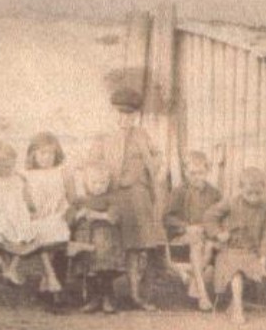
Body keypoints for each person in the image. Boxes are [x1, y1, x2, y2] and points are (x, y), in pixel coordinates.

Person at [90, 87, 165, 311]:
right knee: (107, 242)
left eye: (130, 115)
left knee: (135, 247)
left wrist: (143, 172)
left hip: (137, 197)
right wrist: (99, 178)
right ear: (112, 113)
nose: (125, 119)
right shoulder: (103, 137)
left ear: (136, 116)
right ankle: (105, 295)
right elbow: (91, 164)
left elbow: (158, 156)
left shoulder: (142, 136)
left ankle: (136, 295)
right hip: (112, 196)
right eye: (120, 114)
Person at [204, 167, 266, 324]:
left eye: (258, 193)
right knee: (236, 271)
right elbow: (209, 216)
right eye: (249, 193)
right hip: (229, 249)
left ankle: (234, 304)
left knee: (252, 269)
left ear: (263, 189)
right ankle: (238, 308)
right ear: (241, 189)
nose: (253, 197)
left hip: (251, 251)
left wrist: (264, 256)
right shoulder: (231, 202)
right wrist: (218, 233)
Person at [164, 150, 222, 311]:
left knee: (209, 244)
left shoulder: (214, 194)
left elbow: (221, 218)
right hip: (182, 239)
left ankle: (194, 285)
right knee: (197, 242)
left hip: (207, 238)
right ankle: (203, 295)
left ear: (208, 171)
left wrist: (209, 229)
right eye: (192, 173)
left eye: (200, 173)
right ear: (185, 172)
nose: (196, 177)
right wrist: (187, 227)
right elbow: (167, 218)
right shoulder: (179, 191)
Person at [0, 141, 39, 286]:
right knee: (1, 238)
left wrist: (32, 210)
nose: (9, 169)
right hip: (0, 218)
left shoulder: (19, 179)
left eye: (12, 165)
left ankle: (11, 268)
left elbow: (28, 199)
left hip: (19, 217)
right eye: (5, 166)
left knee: (28, 237)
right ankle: (4, 264)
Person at [67, 161, 124, 314]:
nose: (98, 186)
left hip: (104, 240)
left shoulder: (110, 199)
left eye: (103, 183)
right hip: (84, 239)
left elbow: (115, 216)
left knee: (104, 270)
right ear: (86, 182)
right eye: (94, 182)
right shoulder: (80, 200)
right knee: (89, 270)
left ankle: (108, 298)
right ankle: (94, 299)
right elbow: (69, 217)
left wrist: (99, 215)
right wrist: (78, 215)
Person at [24, 131, 75, 298]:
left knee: (53, 229)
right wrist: (31, 212)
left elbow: (72, 197)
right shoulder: (28, 175)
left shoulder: (61, 172)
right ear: (33, 154)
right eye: (42, 153)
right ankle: (50, 278)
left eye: (51, 153)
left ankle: (48, 279)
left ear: (57, 154)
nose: (47, 157)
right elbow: (26, 202)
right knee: (41, 230)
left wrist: (68, 211)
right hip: (38, 216)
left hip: (58, 215)